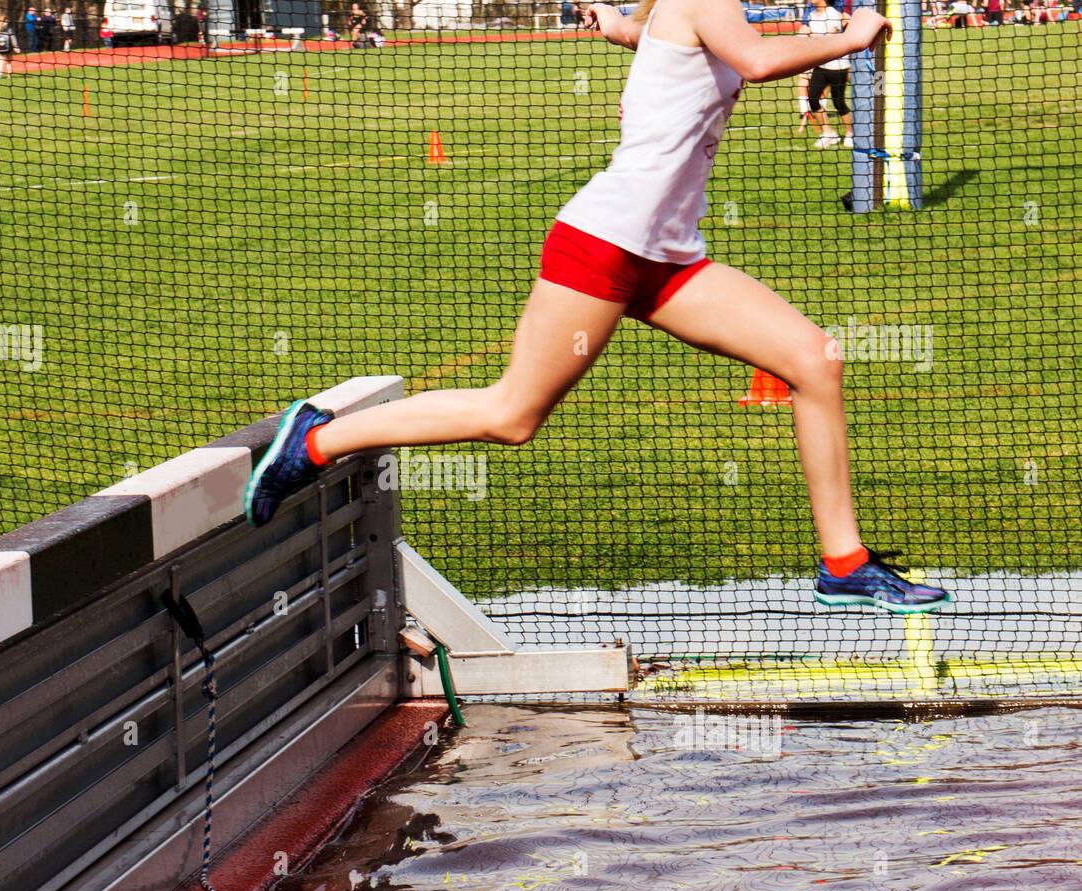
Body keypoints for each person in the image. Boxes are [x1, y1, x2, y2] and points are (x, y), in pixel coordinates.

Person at [243, 0, 951, 614]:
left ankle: (844, 565)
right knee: (512, 416)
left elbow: (683, 46)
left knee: (812, 358)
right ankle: (313, 441)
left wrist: (620, 30)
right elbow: (757, 62)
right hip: (605, 244)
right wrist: (853, 37)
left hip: (668, 255)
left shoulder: (700, 10)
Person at [805, 0, 853, 149]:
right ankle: (828, 133)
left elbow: (829, 38)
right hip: (821, 64)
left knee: (838, 102)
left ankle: (850, 134)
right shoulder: (812, 15)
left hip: (838, 65)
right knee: (813, 98)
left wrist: (811, 37)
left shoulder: (833, 14)